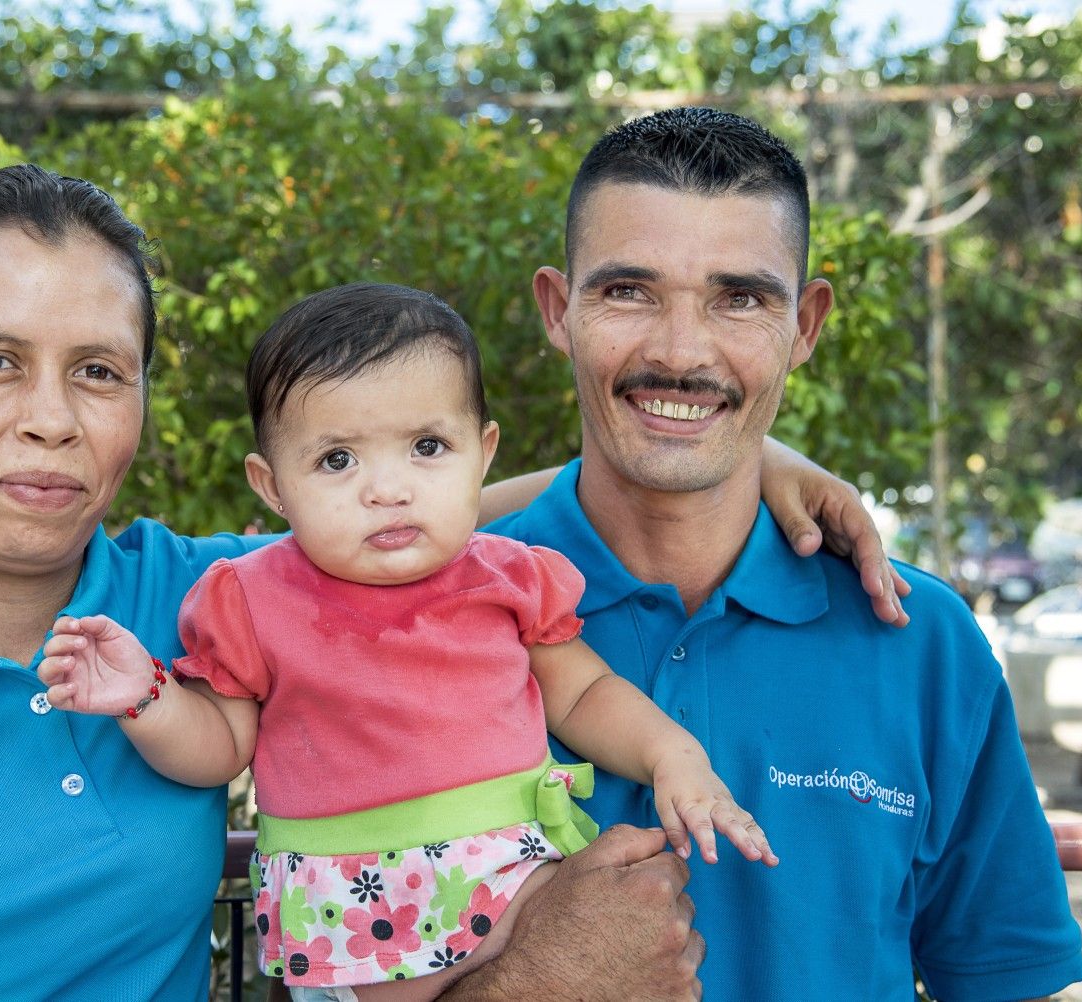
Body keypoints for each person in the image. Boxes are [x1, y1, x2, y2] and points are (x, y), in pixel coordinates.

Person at [0, 163, 888, 1001]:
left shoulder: (208, 592)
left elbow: (422, 512)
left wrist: (742, 443)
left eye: (100, 371)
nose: (51, 421)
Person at [487, 107, 1082, 999]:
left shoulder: (921, 643)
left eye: (741, 298)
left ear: (804, 326)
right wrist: (534, 983)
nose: (681, 352)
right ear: (556, 310)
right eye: (628, 291)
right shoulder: (416, 610)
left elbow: (1006, 980)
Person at [38, 282, 778, 1002]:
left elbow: (583, 692)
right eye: (337, 460)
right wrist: (147, 697)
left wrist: (673, 756)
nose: (386, 489)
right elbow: (220, 748)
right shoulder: (252, 596)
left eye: (427, 446)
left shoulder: (509, 578)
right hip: (347, 915)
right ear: (271, 486)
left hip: (516, 881)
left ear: (482, 452)